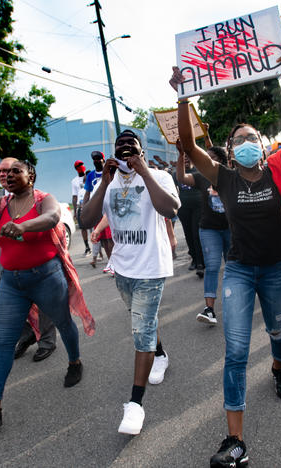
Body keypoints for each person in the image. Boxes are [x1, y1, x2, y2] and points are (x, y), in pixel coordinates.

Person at [171, 51, 281, 467]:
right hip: (239, 270)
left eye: (251, 137)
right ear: (229, 149)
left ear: (262, 143)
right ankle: (234, 441)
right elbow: (187, 144)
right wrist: (185, 98)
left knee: (277, 330)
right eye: (237, 139)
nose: (245, 144)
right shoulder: (224, 176)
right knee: (236, 351)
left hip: (276, 269)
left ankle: (279, 368)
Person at [0, 160, 95, 427]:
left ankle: (75, 362)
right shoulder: (1, 204)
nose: (10, 175)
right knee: (3, 342)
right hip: (11, 284)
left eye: (17, 171)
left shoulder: (43, 199)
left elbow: (51, 218)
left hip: (45, 277)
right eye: (6, 172)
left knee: (63, 323)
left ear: (31, 176)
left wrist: (24, 227)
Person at [81, 129, 180, 436]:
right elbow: (85, 220)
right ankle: (160, 354)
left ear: (141, 151)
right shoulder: (105, 183)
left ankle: (135, 404)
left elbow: (171, 209)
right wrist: (105, 183)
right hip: (122, 269)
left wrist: (144, 171)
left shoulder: (159, 177)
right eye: (119, 146)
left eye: (131, 145)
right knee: (143, 321)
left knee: (141, 329)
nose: (125, 150)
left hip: (151, 267)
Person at [0, 158, 57, 362]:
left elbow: (50, 221)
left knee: (44, 305)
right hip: (3, 266)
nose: (5, 175)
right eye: (1, 171)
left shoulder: (38, 197)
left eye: (9, 170)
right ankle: (26, 335)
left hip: (36, 266)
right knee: (4, 308)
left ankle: (47, 341)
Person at [176, 142, 230, 324]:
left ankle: (235, 300)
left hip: (232, 229)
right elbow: (182, 178)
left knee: (234, 266)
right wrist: (181, 155)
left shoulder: (231, 176)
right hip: (209, 229)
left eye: (212, 158)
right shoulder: (200, 177)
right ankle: (209, 310)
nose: (207, 161)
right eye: (205, 158)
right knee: (212, 266)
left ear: (222, 161)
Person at [174, 151, 205, 277]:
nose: (186, 159)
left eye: (188, 157)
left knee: (196, 233)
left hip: (199, 207)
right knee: (188, 234)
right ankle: (194, 258)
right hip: (184, 209)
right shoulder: (176, 174)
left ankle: (200, 262)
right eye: (183, 157)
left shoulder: (199, 171)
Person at [84, 151, 105, 263]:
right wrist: (85, 209)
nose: (96, 161)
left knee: (110, 237)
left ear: (103, 159)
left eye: (98, 158)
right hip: (96, 210)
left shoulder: (108, 171)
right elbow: (87, 193)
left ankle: (113, 260)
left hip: (108, 208)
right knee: (97, 234)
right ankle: (98, 256)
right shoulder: (90, 175)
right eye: (94, 159)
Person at [71, 160, 90, 255]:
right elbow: (74, 197)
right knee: (83, 228)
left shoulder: (89, 175)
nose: (82, 166)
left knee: (94, 227)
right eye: (79, 165)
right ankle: (87, 247)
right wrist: (75, 211)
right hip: (80, 206)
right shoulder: (74, 181)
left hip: (91, 205)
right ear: (76, 168)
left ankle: (98, 248)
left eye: (82, 164)